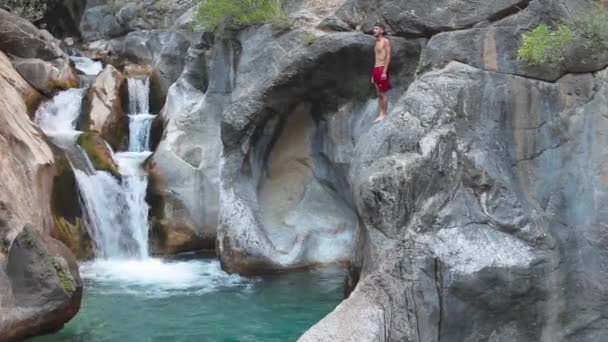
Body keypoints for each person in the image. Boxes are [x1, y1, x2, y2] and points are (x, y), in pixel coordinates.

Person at [371, 23, 392, 123]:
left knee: (383, 93)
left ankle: (384, 114)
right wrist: (373, 74)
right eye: (374, 29)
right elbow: (376, 58)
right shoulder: (376, 42)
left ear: (382, 31)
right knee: (378, 93)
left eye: (376, 29)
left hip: (382, 69)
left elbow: (388, 56)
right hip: (376, 69)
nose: (374, 30)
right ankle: (381, 113)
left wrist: (384, 72)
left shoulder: (385, 41)